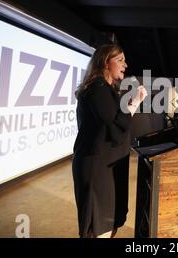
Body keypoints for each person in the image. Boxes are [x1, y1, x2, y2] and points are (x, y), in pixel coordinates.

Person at [72, 44, 148, 238]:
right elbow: (116, 127)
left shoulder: (106, 89)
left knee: (110, 224)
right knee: (99, 229)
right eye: (120, 60)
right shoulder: (97, 88)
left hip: (108, 168)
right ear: (105, 62)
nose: (126, 64)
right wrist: (136, 101)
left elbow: (116, 123)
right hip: (98, 170)